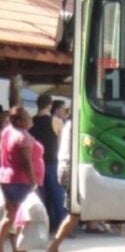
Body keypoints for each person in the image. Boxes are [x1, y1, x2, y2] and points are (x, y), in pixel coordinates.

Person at [0, 106, 45, 252]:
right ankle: (20, 249)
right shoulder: (22, 137)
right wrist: (33, 184)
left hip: (7, 178)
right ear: (19, 121)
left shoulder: (7, 131)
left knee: (10, 217)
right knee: (23, 217)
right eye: (26, 115)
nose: (29, 117)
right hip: (21, 181)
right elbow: (26, 162)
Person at [29, 94, 67, 233]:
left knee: (41, 194)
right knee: (58, 194)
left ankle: (42, 225)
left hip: (35, 162)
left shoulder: (31, 122)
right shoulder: (56, 121)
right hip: (52, 162)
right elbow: (60, 145)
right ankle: (62, 225)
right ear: (50, 105)